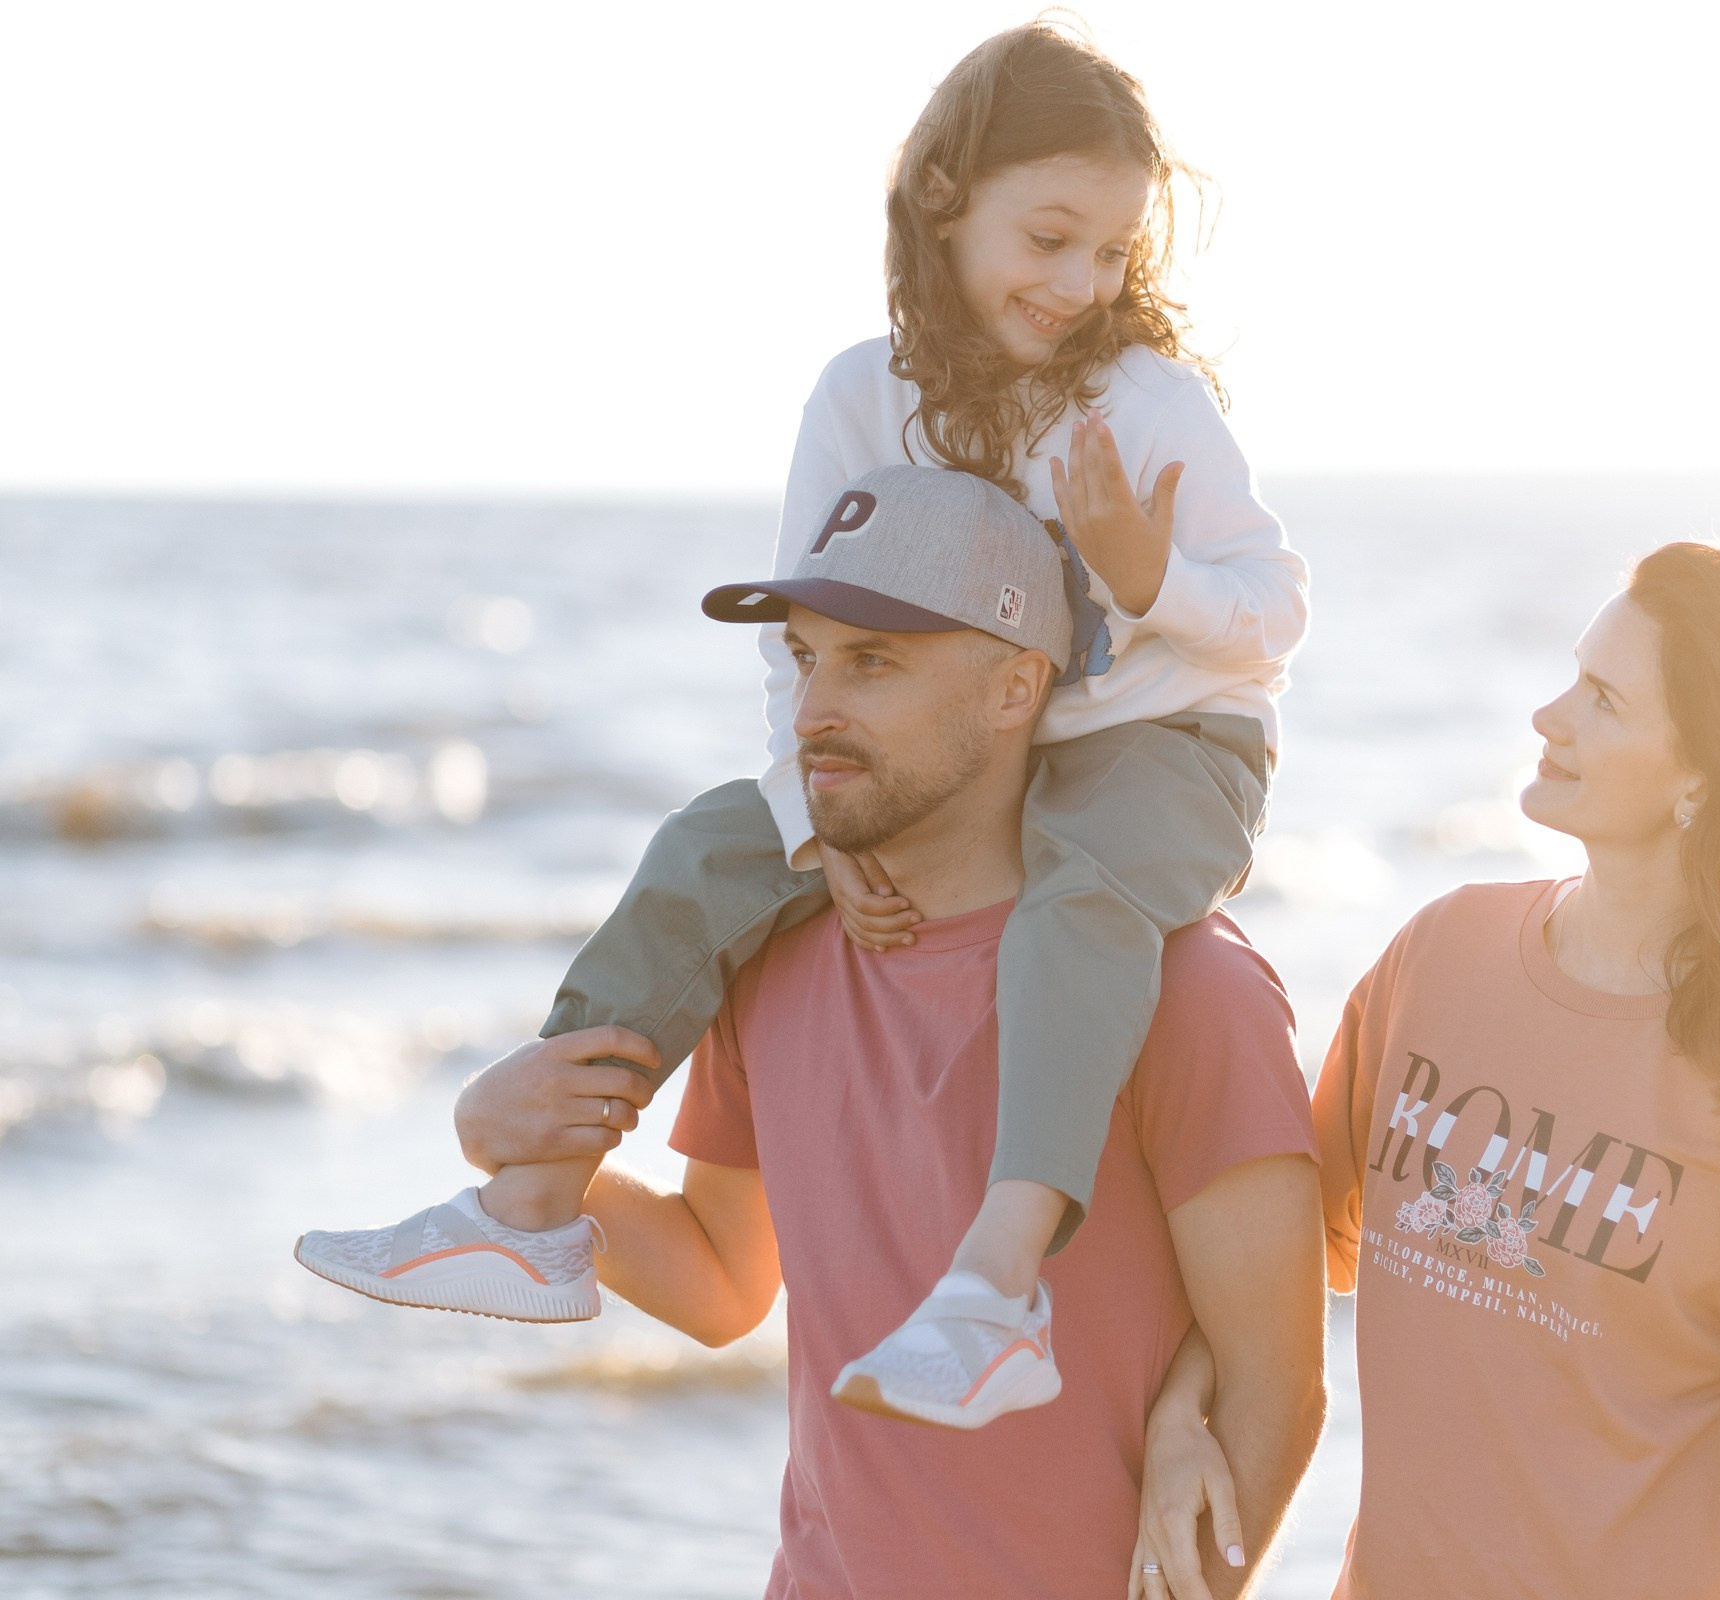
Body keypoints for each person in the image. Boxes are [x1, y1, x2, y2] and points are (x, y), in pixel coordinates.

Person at [295, 20, 1307, 1431]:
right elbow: (804, 637)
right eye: (1050, 238)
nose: (1079, 284)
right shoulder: (861, 395)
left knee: (1081, 906)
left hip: (1165, 737)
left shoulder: (1143, 400)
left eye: (1110, 254)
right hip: (974, 754)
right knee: (708, 847)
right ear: (945, 201)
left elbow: (1273, 611)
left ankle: (1000, 1285)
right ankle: (532, 1204)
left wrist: (1149, 579)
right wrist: (809, 820)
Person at [451, 466, 1327, 1597]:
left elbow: (1278, 1385)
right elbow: (723, 1280)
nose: (815, 707)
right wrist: (509, 1150)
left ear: (1017, 687)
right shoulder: (772, 956)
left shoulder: (1191, 985)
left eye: (873, 661)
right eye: (807, 657)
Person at [1132, 543, 1720, 1600]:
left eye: (1603, 700)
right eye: (1571, 676)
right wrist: (1181, 1414)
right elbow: (1277, 1247)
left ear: (1705, 774)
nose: (1550, 715)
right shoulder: (1441, 958)